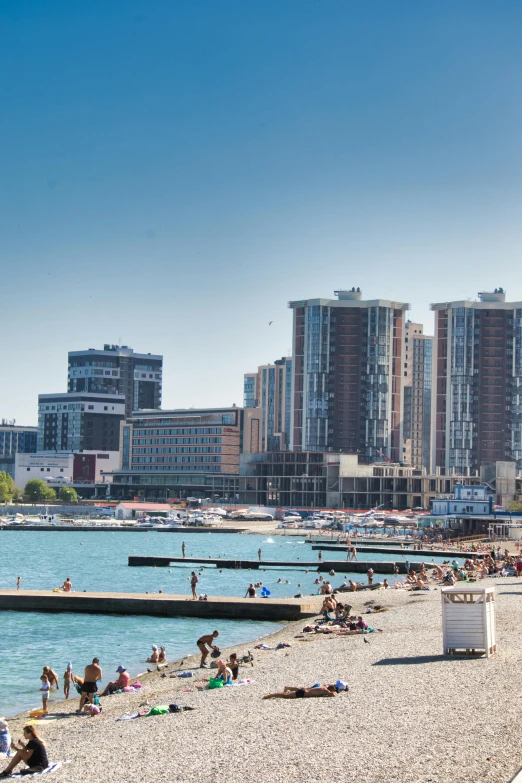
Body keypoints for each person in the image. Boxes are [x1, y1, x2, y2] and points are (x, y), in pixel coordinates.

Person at [263, 685, 338, 699]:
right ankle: (270, 695)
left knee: (288, 693)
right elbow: (332, 695)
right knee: (285, 695)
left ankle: (288, 687)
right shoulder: (325, 690)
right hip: (303, 693)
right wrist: (335, 693)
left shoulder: (324, 687)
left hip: (304, 690)